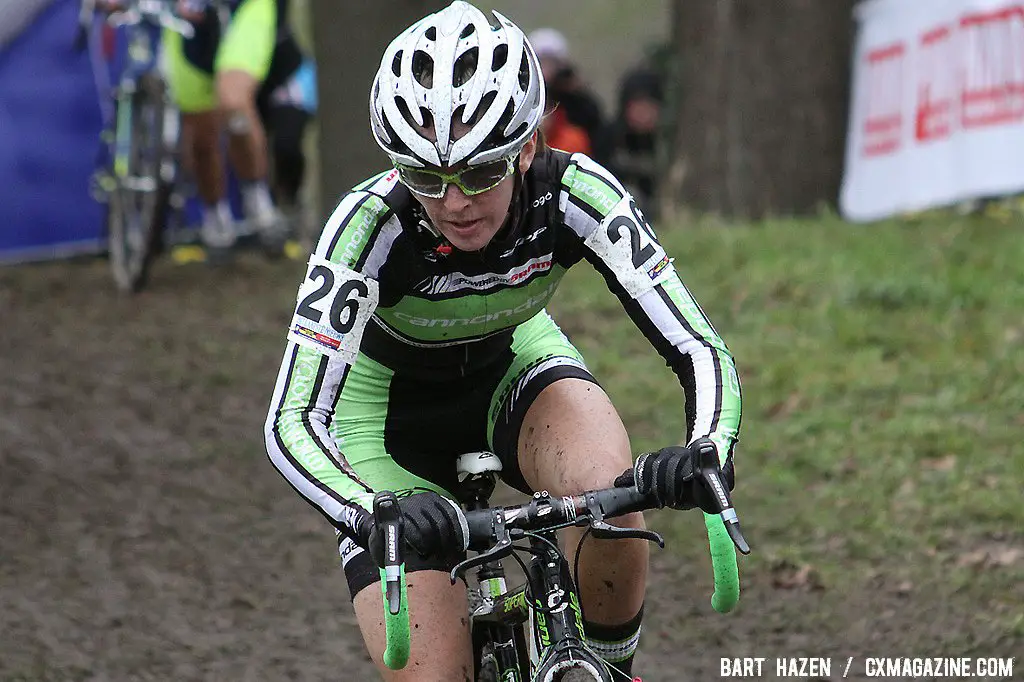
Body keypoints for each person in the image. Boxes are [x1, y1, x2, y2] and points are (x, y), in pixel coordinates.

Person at [264, 3, 742, 680]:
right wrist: (368, 514)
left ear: (526, 147)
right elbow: (292, 419)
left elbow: (697, 345)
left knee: (609, 501)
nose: (455, 202)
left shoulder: (576, 193)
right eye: (425, 178)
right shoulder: (367, 227)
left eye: (481, 172)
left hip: (508, 372)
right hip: (380, 429)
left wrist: (708, 448)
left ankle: (611, 668)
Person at [163, 0, 297, 258]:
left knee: (234, 103)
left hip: (245, 8)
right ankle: (216, 220)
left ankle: (260, 207)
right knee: (201, 138)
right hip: (184, 20)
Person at [598, 66, 665, 217]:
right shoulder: (609, 138)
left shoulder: (664, 143)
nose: (644, 114)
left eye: (649, 107)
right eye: (638, 107)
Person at [528, 26, 605, 154]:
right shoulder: (524, 93)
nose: (546, 70)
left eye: (551, 62)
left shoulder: (576, 98)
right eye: (542, 62)